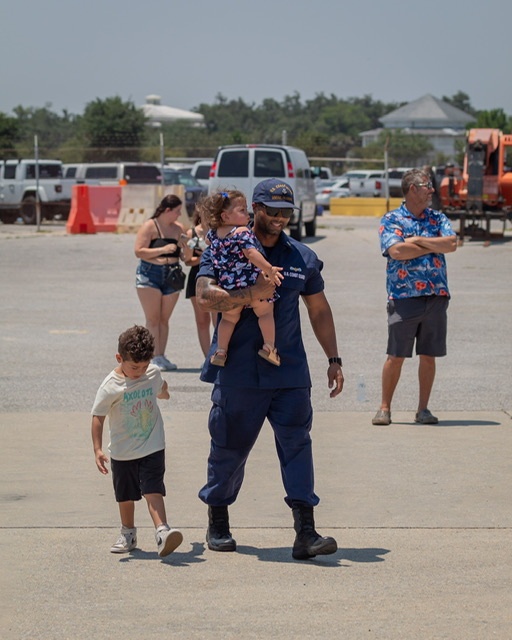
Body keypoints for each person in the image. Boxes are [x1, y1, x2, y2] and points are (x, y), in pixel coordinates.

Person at [195, 178, 344, 560]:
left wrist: (333, 359)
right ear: (254, 210)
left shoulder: (301, 257)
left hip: (288, 370)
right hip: (238, 371)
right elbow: (205, 296)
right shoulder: (225, 247)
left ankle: (305, 532)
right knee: (229, 447)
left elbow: (319, 309)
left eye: (285, 213)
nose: (279, 218)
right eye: (271, 211)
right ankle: (218, 519)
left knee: (297, 444)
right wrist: (250, 296)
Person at [372, 169, 457, 427]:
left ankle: (423, 410)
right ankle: (384, 408)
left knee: (429, 355)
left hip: (435, 297)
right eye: (426, 186)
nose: (431, 190)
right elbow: (396, 250)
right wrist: (433, 243)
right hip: (404, 297)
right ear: (412, 189)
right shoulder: (392, 219)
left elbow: (451, 244)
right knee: (396, 355)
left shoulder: (438, 218)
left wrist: (418, 240)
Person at [91, 325, 183, 557]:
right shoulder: (110, 386)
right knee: (126, 495)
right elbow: (98, 416)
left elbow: (160, 388)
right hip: (123, 452)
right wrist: (98, 449)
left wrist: (164, 392)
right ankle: (128, 533)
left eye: (144, 366)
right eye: (134, 367)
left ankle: (162, 531)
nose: (140, 371)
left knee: (153, 489)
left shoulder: (152, 373)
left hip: (153, 445)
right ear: (119, 358)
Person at [201, 189, 284, 367]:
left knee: (228, 319)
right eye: (242, 210)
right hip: (250, 281)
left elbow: (206, 242)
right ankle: (269, 347)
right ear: (225, 216)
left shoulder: (214, 234)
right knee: (265, 313)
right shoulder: (241, 232)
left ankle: (221, 351)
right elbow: (251, 254)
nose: (247, 214)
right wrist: (269, 269)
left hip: (229, 287)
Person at [134, 194, 186, 371]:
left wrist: (188, 247)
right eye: (177, 211)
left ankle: (161, 355)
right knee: (153, 318)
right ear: (167, 210)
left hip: (172, 274)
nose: (179, 215)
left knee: (164, 319)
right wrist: (162, 249)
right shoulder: (150, 226)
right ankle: (152, 357)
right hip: (150, 273)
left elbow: (184, 256)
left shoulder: (178, 229)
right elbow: (139, 251)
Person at [181, 205, 216, 358]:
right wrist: (202, 258)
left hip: (216, 277)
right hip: (197, 276)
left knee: (218, 320)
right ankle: (207, 357)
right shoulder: (192, 233)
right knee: (202, 321)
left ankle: (219, 354)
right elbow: (187, 261)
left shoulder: (219, 231)